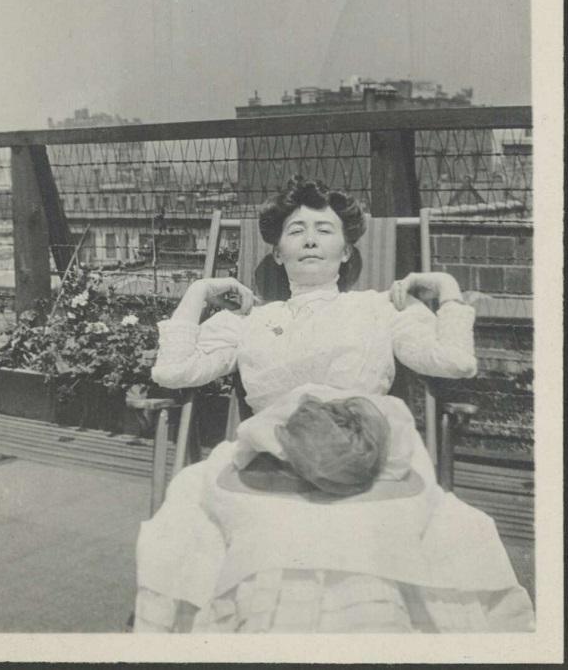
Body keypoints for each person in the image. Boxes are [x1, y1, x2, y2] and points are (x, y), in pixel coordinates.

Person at [134, 177, 534, 633]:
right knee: (213, 510)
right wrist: (197, 293)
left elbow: (455, 362)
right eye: (295, 230)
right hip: (269, 457)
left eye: (323, 230)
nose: (308, 238)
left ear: (346, 252)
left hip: (370, 454)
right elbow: (173, 371)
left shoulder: (381, 309)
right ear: (278, 253)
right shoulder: (250, 321)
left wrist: (446, 288)